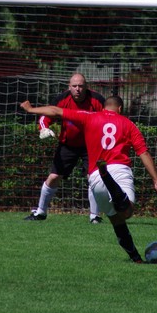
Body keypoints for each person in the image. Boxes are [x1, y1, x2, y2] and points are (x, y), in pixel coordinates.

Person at [20, 95, 157, 262]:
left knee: (116, 220)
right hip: (119, 170)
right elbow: (143, 153)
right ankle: (113, 186)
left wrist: (31, 109)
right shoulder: (128, 124)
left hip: (96, 176)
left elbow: (56, 111)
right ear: (120, 109)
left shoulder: (89, 117)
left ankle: (136, 258)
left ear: (103, 108)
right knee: (127, 212)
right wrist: (156, 179)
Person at [24, 73, 107, 223]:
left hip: (91, 145)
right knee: (54, 177)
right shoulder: (62, 99)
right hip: (68, 145)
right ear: (69, 87)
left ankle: (95, 216)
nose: (77, 89)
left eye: (80, 86)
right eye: (74, 86)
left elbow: (110, 118)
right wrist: (43, 128)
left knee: (94, 178)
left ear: (86, 87)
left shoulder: (97, 100)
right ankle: (40, 212)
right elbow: (46, 115)